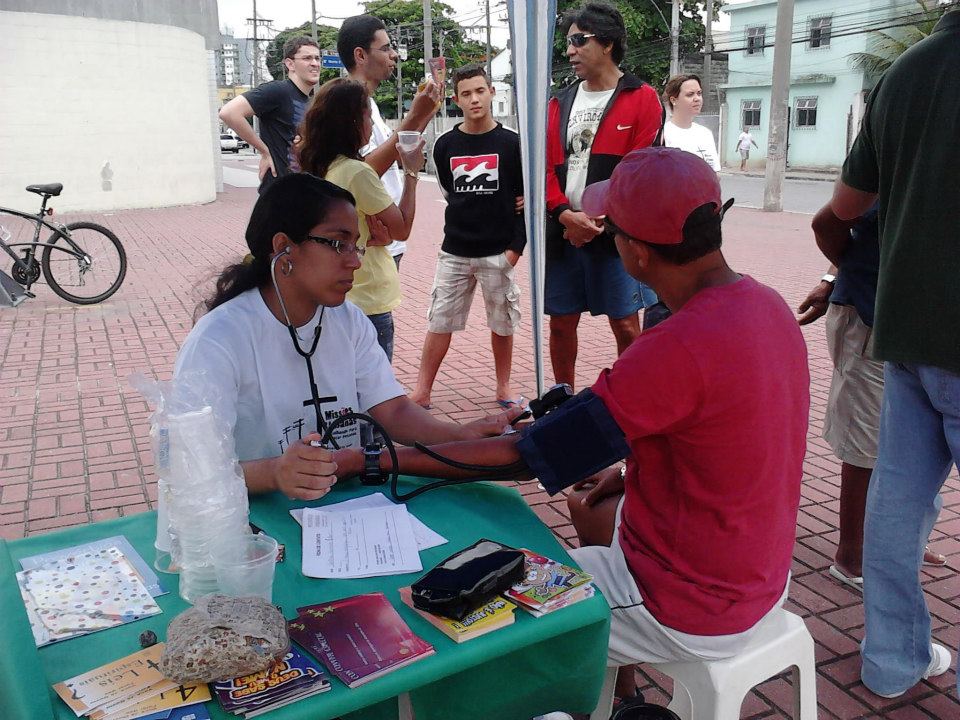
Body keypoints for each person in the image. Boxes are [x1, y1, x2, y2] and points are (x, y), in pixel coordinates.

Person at [330, 149, 809, 704]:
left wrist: (372, 460)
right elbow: (733, 435)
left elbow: (523, 458)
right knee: (591, 510)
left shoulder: (675, 348)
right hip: (761, 579)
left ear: (636, 251)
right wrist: (631, 471)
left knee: (461, 616)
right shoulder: (767, 306)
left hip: (687, 603)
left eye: (612, 230)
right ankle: (620, 695)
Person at [174, 174, 519, 501]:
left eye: (357, 246)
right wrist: (274, 473)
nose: (355, 262)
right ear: (284, 248)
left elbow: (392, 409)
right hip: (256, 518)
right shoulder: (219, 339)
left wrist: (459, 435)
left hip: (344, 509)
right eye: (339, 244)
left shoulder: (349, 320)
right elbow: (189, 467)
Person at [826, 8, 960, 699]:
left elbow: (844, 206)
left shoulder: (906, 71)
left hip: (904, 327)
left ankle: (889, 660)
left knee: (896, 503)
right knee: (895, 501)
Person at [796, 204, 946, 592]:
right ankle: (852, 558)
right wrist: (846, 274)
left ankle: (904, 542)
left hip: (924, 325)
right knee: (866, 445)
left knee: (918, 442)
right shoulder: (902, 164)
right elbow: (829, 222)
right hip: (872, 317)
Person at [545, 1, 666, 388]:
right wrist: (565, 215)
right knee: (561, 323)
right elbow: (545, 168)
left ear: (608, 43)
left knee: (627, 325)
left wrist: (596, 221)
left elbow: (639, 170)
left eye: (579, 40)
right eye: (568, 42)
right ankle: (563, 398)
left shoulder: (642, 97)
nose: (570, 50)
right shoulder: (558, 102)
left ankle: (630, 400)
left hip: (616, 235)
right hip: (565, 231)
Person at [408, 64, 526, 411]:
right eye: (466, 94)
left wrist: (515, 249)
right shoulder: (446, 145)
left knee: (503, 322)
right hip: (455, 250)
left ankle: (503, 387)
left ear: (491, 92)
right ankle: (422, 390)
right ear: (456, 99)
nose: (474, 99)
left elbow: (525, 200)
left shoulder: (512, 143)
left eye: (480, 91)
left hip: (499, 251)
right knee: (439, 319)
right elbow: (449, 192)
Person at [297, 79, 423, 363]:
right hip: (368, 298)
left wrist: (374, 235)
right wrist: (412, 172)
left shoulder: (324, 167)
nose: (372, 124)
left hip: (339, 293)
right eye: (368, 116)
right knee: (372, 383)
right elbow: (402, 228)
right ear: (352, 122)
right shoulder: (357, 172)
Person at [339, 14, 441, 272]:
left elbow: (394, 151)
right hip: (371, 239)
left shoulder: (368, 103)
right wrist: (414, 116)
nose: (394, 55)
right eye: (385, 48)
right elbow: (362, 172)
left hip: (385, 236)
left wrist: (426, 112)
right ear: (360, 55)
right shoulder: (351, 106)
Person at [218, 36, 320, 194]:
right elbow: (229, 112)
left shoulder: (309, 101)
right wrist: (264, 151)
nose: (315, 63)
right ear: (290, 64)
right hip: (279, 192)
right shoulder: (278, 91)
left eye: (317, 58)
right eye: (307, 58)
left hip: (302, 191)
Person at [661, 74, 720, 171]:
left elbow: (714, 173)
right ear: (673, 100)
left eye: (699, 93)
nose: (697, 99)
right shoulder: (663, 134)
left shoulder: (705, 133)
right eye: (690, 94)